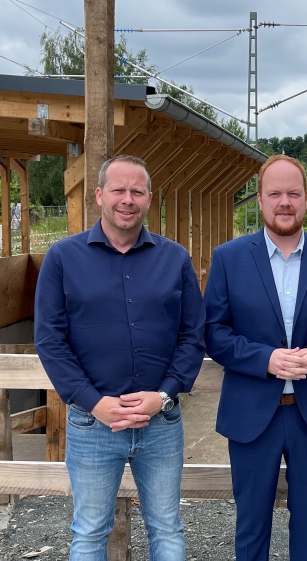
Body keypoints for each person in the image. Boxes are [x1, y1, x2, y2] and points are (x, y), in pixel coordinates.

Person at [35, 155, 204, 561]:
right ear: (99, 196)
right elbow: (49, 340)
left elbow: (193, 336)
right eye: (118, 190)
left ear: (149, 199)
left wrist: (163, 395)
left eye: (136, 191)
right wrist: (95, 403)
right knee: (90, 531)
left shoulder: (175, 258)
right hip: (93, 423)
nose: (127, 200)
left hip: (160, 421)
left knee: (166, 528)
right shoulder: (62, 258)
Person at [204, 155, 307, 561]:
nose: (284, 202)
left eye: (293, 193)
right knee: (251, 527)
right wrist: (265, 359)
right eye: (274, 193)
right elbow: (213, 333)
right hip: (251, 415)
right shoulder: (229, 258)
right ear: (259, 200)